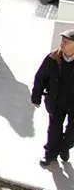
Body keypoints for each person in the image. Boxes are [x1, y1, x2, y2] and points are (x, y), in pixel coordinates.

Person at [32, 28, 74, 168]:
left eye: (66, 41)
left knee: (72, 133)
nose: (62, 43)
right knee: (54, 129)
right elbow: (40, 77)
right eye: (62, 40)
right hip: (56, 101)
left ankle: (65, 146)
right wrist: (36, 96)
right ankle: (50, 154)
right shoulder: (53, 58)